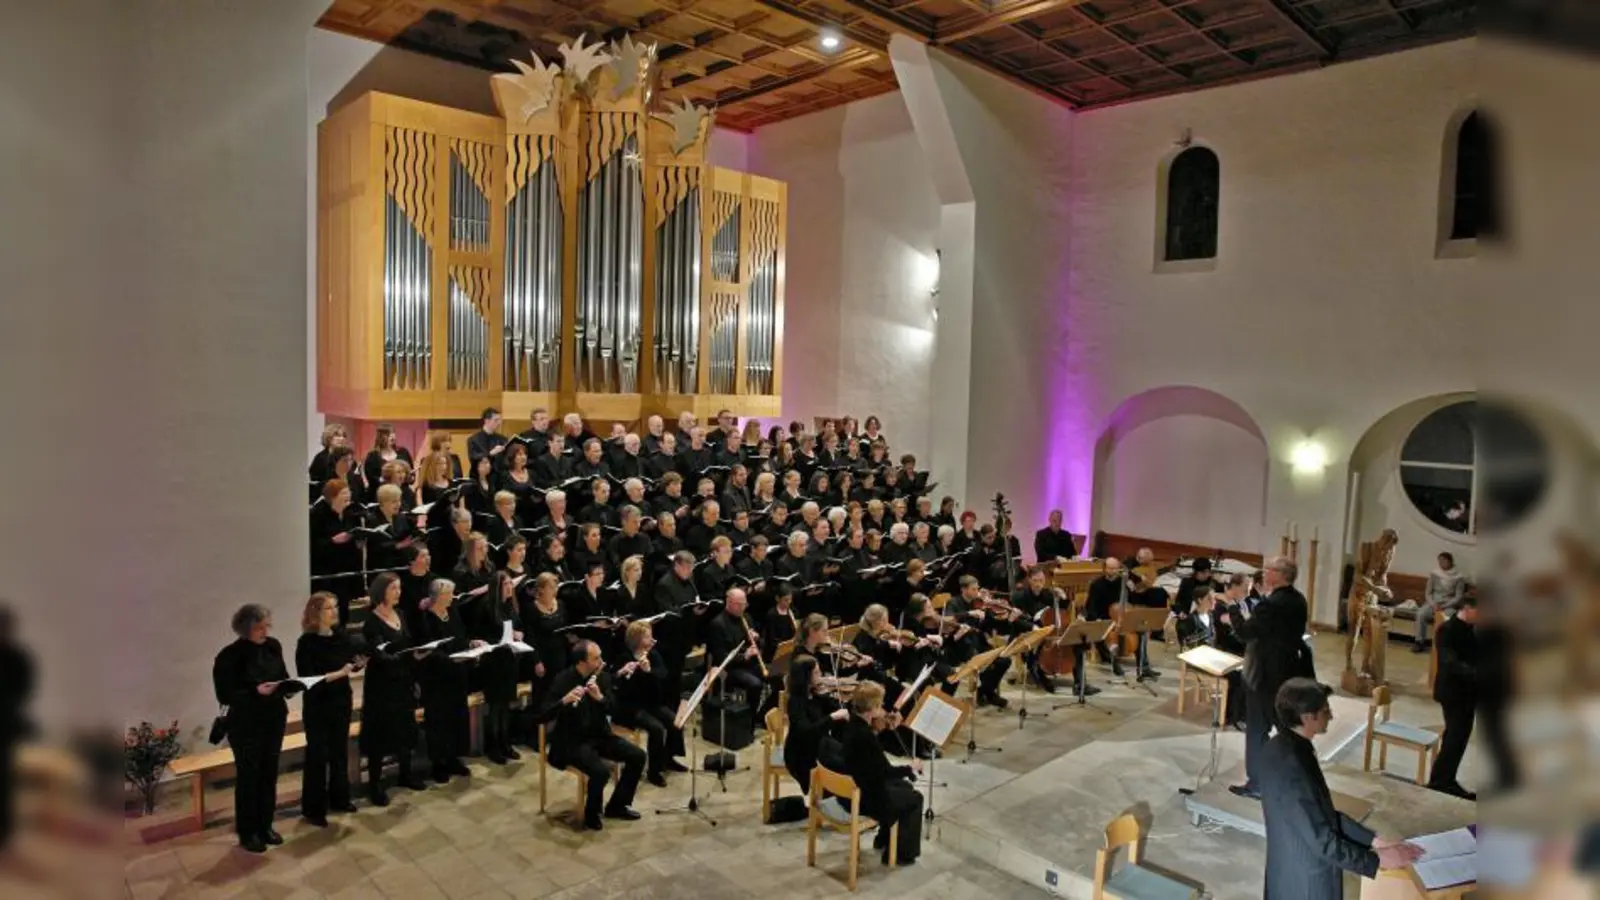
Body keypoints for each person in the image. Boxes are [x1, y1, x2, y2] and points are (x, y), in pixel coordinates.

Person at [1259, 678, 1422, 899]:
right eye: (1325, 711)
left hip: (1289, 868)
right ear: (1307, 717)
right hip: (1307, 882)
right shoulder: (1294, 767)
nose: (1331, 716)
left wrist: (1374, 841)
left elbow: (1320, 815)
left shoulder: (1277, 747)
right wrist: (1377, 860)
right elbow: (1321, 840)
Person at [212, 604, 304, 853]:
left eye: (266, 626)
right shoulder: (229, 656)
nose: (265, 631)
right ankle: (248, 832)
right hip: (245, 723)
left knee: (269, 773)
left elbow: (282, 675)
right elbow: (225, 695)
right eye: (259, 627)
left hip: (273, 718)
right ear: (245, 629)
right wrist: (255, 692)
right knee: (249, 776)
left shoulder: (273, 646)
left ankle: (265, 825)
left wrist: (290, 686)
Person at [539, 641, 647, 830]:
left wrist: (600, 699)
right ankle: (592, 813)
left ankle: (617, 805)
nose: (601, 661)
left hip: (600, 736)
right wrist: (564, 701)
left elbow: (614, 709)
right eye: (596, 658)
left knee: (638, 755)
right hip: (572, 741)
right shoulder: (562, 680)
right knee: (600, 772)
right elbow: (542, 715)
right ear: (581, 662)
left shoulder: (601, 678)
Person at [1230, 556, 1312, 800]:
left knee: (1257, 731)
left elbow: (1245, 633)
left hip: (1264, 677)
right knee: (1287, 728)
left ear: (1280, 575)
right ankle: (1298, 776)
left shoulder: (1271, 604)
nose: (1265, 573)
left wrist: (1233, 610)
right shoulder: (1299, 600)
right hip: (1289, 672)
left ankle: (1256, 783)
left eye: (1269, 570)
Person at [359, 573, 430, 806]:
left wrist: (415, 657)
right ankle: (375, 785)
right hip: (382, 685)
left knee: (404, 727)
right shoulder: (372, 621)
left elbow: (406, 644)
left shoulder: (401, 614)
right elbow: (379, 655)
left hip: (402, 681)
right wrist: (406, 657)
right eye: (393, 589)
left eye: (399, 588)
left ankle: (405, 774)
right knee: (380, 733)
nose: (398, 592)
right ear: (381, 592)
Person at [294, 593, 365, 826]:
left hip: (341, 700)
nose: (334, 612)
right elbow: (308, 679)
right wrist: (340, 673)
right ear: (315, 613)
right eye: (328, 608)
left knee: (339, 752)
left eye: (335, 606)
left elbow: (349, 662)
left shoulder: (340, 635)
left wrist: (358, 665)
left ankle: (340, 798)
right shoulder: (307, 643)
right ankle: (314, 809)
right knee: (317, 756)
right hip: (318, 705)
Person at [838, 682, 923, 866]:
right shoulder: (865, 736)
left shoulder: (852, 724)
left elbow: (872, 762)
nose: (883, 708)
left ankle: (883, 839)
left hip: (857, 786)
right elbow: (885, 771)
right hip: (867, 798)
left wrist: (880, 729)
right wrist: (910, 768)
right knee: (915, 798)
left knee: (904, 786)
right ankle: (901, 854)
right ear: (872, 708)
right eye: (880, 704)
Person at [612, 621, 687, 786]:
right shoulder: (624, 658)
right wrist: (622, 673)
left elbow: (663, 679)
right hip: (630, 707)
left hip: (650, 703)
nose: (652, 639)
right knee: (656, 728)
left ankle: (668, 758)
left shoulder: (654, 655)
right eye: (647, 636)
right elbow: (617, 687)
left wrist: (648, 672)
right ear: (637, 640)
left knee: (675, 720)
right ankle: (654, 772)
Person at [1428, 593, 1478, 799]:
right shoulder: (1446, 630)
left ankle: (1446, 779)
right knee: (1455, 737)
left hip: (1469, 693)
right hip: (1452, 692)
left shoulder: (1473, 629)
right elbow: (1450, 662)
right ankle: (1440, 782)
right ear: (1467, 608)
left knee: (1459, 737)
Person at [783, 654, 849, 797]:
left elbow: (832, 710)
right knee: (843, 767)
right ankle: (839, 797)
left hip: (820, 744)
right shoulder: (795, 702)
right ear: (806, 677)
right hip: (802, 753)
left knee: (851, 758)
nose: (821, 675)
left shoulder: (813, 693)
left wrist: (829, 699)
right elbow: (805, 732)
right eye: (817, 673)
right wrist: (832, 717)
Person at [0, 606, 35, 853]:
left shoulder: (18, 659)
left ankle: (4, 832)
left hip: (5, 728)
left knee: (4, 781)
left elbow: (23, 691)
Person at [1413, 551, 1468, 653]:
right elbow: (1428, 593)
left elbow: (1458, 596)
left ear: (1450, 561)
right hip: (1434, 602)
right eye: (1440, 561)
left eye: (1444, 561)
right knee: (1420, 614)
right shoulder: (1434, 574)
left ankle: (1442, 644)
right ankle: (1419, 642)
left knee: (1446, 617)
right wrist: (1433, 604)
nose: (1441, 563)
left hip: (1449, 604)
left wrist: (1445, 605)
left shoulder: (1459, 577)